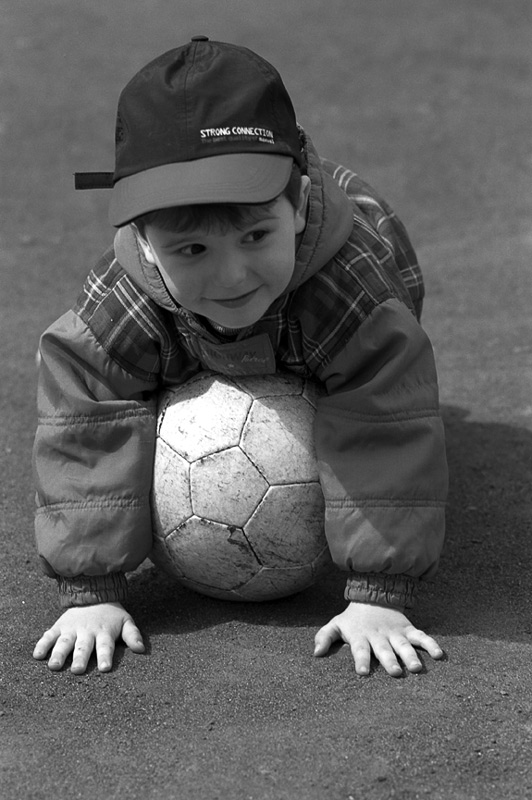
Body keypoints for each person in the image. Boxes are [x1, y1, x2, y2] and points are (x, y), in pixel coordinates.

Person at [32, 36, 448, 677]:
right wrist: (92, 590)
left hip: (346, 262)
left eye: (256, 235)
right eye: (191, 249)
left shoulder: (352, 296)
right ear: (144, 243)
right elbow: (82, 413)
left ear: (300, 202)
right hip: (211, 302)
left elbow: (388, 419)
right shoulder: (129, 298)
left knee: (381, 357)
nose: (232, 276)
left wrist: (379, 595)